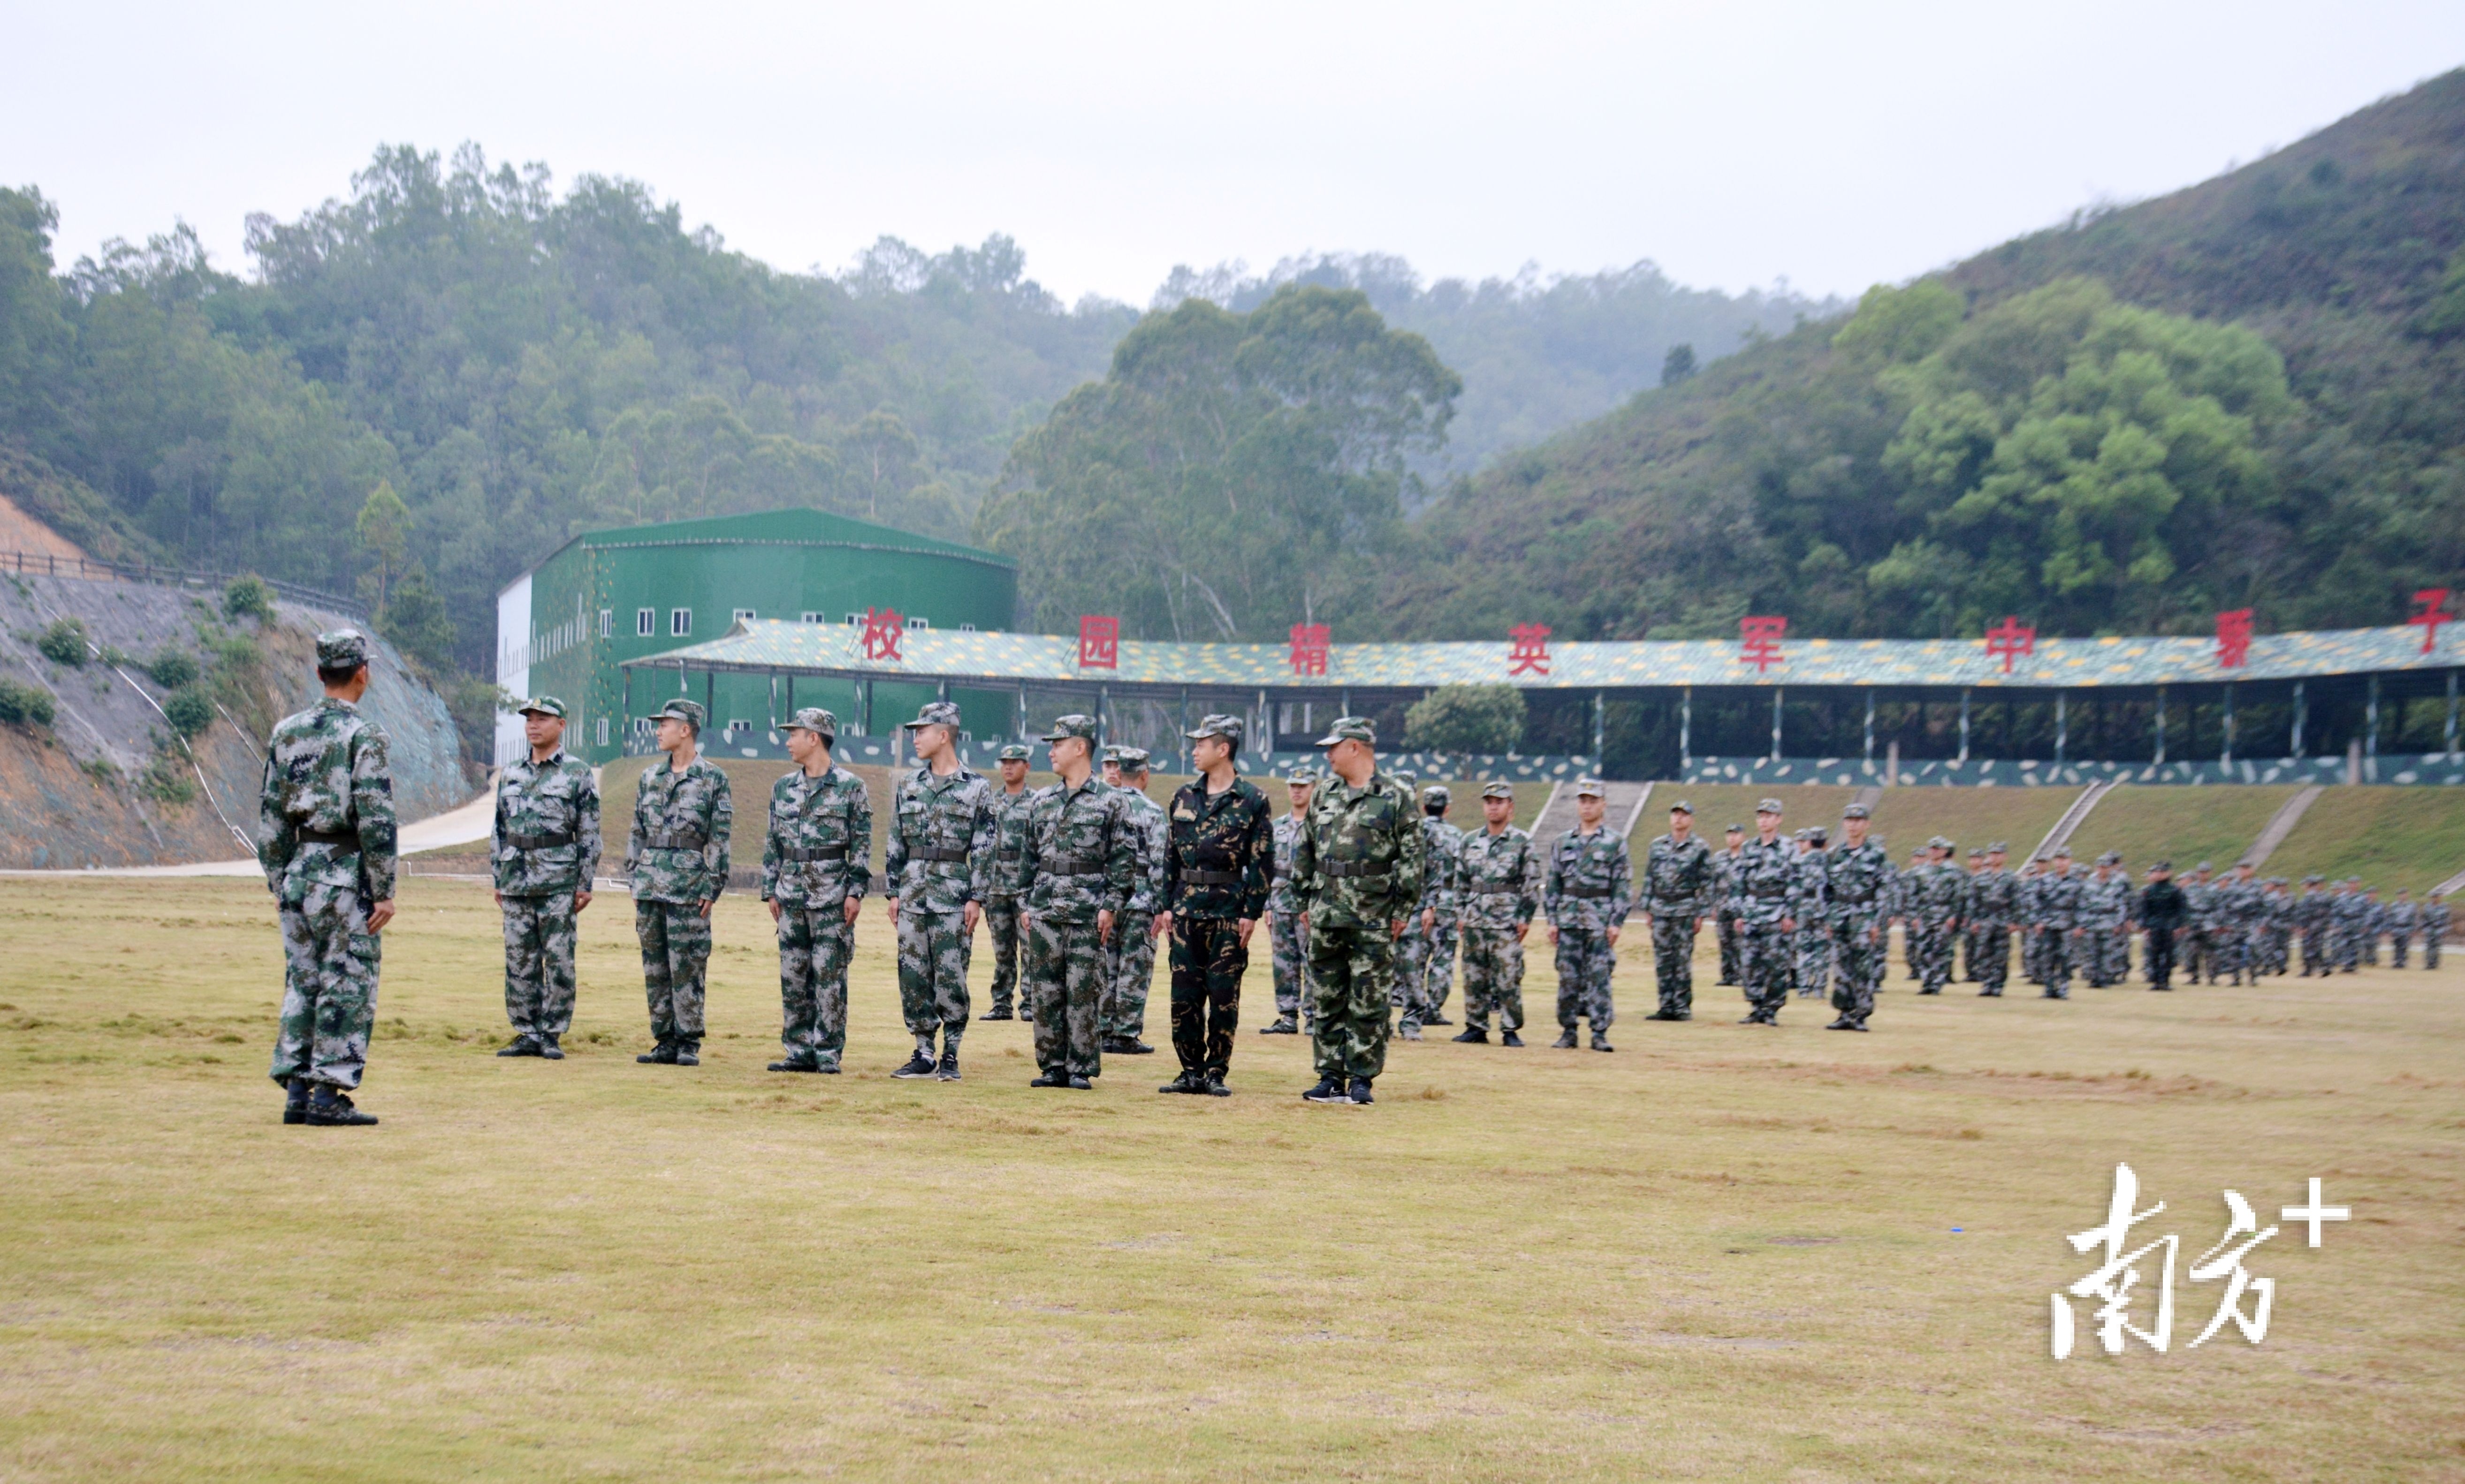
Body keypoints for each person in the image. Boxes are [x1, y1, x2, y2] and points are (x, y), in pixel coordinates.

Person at [261, 628, 397, 1127]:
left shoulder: (287, 732)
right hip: (344, 874)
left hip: (299, 871)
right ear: (363, 672)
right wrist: (383, 890)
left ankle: (297, 1087)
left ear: (320, 673)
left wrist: (280, 880)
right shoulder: (364, 735)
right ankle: (328, 1092)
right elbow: (376, 818)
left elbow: (272, 817)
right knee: (347, 981)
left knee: (304, 980)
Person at [1290, 717, 1423, 1105]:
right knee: (1327, 996)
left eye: (1334, 746)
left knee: (1369, 997)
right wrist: (1302, 900)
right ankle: (1330, 1074)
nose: (1328, 755)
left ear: (1355, 747)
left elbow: (1414, 855)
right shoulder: (1324, 793)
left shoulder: (1396, 795)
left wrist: (1404, 907)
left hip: (1374, 914)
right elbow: (1306, 848)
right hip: (1327, 910)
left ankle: (1362, 1077)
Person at [1155, 714, 1272, 1096]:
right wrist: (1165, 905)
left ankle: (1216, 1072)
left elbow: (1261, 861)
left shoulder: (1252, 800)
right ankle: (1190, 1071)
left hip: (1228, 912)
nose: (1194, 750)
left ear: (1223, 749)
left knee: (1224, 996)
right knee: (1184, 995)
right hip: (1186, 910)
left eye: (1201, 744)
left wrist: (1251, 912)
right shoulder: (1184, 797)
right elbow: (1170, 856)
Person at [1018, 715, 1135, 1090]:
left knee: (1084, 990)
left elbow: (1124, 859)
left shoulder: (1111, 801)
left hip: (1087, 912)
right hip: (1046, 911)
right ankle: (1052, 1064)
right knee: (1046, 991)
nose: (1051, 750)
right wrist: (1026, 903)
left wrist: (1111, 904)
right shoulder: (1042, 801)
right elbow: (1028, 858)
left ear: (1080, 747)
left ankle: (1080, 1067)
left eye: (1059, 743)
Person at [882, 700, 994, 1080]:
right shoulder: (909, 785)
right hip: (913, 895)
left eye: (922, 731)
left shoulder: (977, 788)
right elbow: (896, 839)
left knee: (952, 975)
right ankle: (924, 1051)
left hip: (953, 897)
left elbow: (984, 848)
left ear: (944, 735)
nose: (915, 738)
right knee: (912, 975)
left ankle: (951, 1053)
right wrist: (893, 892)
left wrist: (977, 897)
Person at [759, 707, 871, 1074]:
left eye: (794, 734)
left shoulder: (851, 788)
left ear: (814, 738)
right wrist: (770, 890)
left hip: (832, 897)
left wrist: (856, 891)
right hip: (791, 896)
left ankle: (827, 1052)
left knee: (829, 978)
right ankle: (798, 1051)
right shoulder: (782, 787)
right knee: (793, 977)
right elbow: (773, 841)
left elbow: (862, 845)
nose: (788, 741)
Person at [491, 695, 600, 1060]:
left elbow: (589, 833)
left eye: (542, 718)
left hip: (558, 880)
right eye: (529, 719)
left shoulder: (577, 773)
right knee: (519, 959)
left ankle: (552, 1032)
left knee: (558, 960)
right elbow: (499, 828)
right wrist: (498, 876)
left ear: (561, 725)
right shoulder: (511, 773)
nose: (533, 725)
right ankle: (525, 1031)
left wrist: (585, 882)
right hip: (516, 879)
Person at [627, 698, 731, 1067]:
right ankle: (665, 1039)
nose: (658, 731)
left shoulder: (713, 778)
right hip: (650, 883)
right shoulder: (649, 777)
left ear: (685, 730)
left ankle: (688, 1041)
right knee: (655, 966)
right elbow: (637, 831)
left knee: (687, 965)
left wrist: (712, 886)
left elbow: (719, 837)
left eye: (664, 724)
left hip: (689, 885)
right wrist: (633, 875)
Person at [1543, 778, 1631, 1052]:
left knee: (1599, 978)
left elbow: (1622, 885)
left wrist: (1616, 923)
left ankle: (1600, 1033)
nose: (1588, 806)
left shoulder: (1614, 843)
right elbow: (1554, 884)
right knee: (1568, 978)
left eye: (1593, 801)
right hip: (1569, 919)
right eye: (1583, 801)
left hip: (1599, 921)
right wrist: (1552, 920)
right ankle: (1568, 1031)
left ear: (1603, 805)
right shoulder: (1563, 842)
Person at [1452, 782, 1540, 1045]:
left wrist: (1525, 917)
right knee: (1473, 976)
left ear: (1510, 807)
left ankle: (1510, 1029)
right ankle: (1476, 1026)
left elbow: (1532, 883)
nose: (1493, 806)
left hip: (1506, 921)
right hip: (1475, 919)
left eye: (1499, 802)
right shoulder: (1469, 841)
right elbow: (1460, 881)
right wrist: (1460, 913)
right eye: (1489, 801)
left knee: (1508, 977)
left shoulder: (1522, 842)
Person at [1102, 748, 1166, 1056]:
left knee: (1106, 965)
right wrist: (1161, 906)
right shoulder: (1152, 812)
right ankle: (1126, 1034)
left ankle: (1103, 1028)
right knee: (1135, 967)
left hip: (1108, 896)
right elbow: (1159, 863)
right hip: (1141, 898)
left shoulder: (1104, 807)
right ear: (1144, 775)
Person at [1812, 803, 1892, 1030]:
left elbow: (1883, 890)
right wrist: (1827, 918)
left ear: (1867, 824)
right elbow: (1824, 890)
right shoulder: (1835, 855)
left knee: (1863, 967)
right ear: (1844, 823)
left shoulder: (1876, 855)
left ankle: (1861, 1014)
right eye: (1849, 820)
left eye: (1858, 820)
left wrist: (1878, 922)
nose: (1853, 824)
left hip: (1864, 917)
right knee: (1840, 967)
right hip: (1840, 916)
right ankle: (1844, 1012)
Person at [1638, 799, 1714, 1021]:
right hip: (1661, 907)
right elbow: (1650, 877)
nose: (1678, 818)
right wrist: (1648, 907)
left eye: (1683, 814)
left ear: (1690, 820)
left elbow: (1707, 882)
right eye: (1675, 814)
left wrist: (1701, 913)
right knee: (1663, 959)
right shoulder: (1658, 845)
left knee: (1681, 960)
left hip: (1685, 909)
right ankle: (1665, 1005)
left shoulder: (1700, 848)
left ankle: (1681, 1006)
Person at [980, 744, 1036, 1022]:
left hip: (1026, 887)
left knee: (1030, 949)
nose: (1008, 767)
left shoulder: (1037, 802)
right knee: (1002, 951)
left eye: (1015, 762)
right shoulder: (991, 802)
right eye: (1004, 762)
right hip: (996, 886)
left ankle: (1030, 1004)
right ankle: (1001, 1004)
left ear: (1027, 767)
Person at [1259, 769, 1316, 1035]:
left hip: (1311, 906)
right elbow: (1268, 868)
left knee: (1314, 961)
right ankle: (1288, 1016)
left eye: (1303, 786)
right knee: (1284, 963)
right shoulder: (1278, 826)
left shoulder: (1319, 826)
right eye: (1293, 786)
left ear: (1314, 789)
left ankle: (1315, 1017)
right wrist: (1268, 905)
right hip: (1281, 902)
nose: (1297, 791)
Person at [1732, 798, 1798, 1026]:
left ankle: (1771, 1009)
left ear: (1778, 819)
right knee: (1750, 964)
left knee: (1776, 965)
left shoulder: (1789, 847)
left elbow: (1795, 882)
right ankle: (1756, 1006)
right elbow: (1739, 881)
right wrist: (1739, 912)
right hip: (1752, 912)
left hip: (1776, 911)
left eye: (1769, 816)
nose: (1764, 820)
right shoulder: (1749, 847)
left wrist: (1790, 913)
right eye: (1761, 816)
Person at [1415, 786, 1466, 1029]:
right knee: (1443, 959)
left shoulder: (1417, 831)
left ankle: (1412, 1006)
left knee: (1416, 957)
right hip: (1448, 902)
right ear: (1447, 808)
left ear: (1424, 807)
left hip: (1418, 901)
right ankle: (1433, 1008)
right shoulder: (1457, 836)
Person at [1911, 837, 1964, 995]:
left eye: (1938, 849)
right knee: (1923, 950)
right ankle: (1926, 982)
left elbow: (1959, 896)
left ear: (1944, 851)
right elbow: (1914, 895)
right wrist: (1914, 916)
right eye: (1932, 848)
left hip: (1944, 913)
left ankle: (1936, 984)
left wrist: (1954, 915)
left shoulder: (1953, 871)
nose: (1935, 851)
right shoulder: (1920, 871)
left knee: (1941, 950)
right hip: (1926, 914)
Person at [2034, 848, 2083, 999]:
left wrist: (2080, 925)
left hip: (2067, 925)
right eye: (2058, 859)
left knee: (2066, 959)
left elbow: (2082, 905)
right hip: (2048, 924)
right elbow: (2037, 902)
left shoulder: (2076, 883)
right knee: (2047, 958)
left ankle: (2063, 989)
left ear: (2070, 861)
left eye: (2064, 859)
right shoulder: (2045, 880)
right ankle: (2049, 988)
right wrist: (2038, 920)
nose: (2061, 862)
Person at [1968, 842, 2016, 996]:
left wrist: (2014, 921)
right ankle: (1986, 984)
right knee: (1983, 954)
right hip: (1985, 921)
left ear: (2005, 857)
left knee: (2001, 956)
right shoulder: (1981, 878)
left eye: (1998, 854)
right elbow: (1974, 902)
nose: (1995, 857)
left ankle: (1998, 986)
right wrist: (1974, 920)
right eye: (1993, 854)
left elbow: (2017, 901)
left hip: (2003, 920)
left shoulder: (2011, 878)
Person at [2079, 853, 2130, 988]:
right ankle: (2094, 978)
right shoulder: (2089, 882)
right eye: (2100, 867)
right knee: (2092, 951)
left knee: (2108, 951)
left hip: (2109, 920)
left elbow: (2121, 905)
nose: (2102, 870)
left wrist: (2119, 923)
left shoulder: (2117, 883)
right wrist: (2083, 923)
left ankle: (2105, 978)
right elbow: (2083, 904)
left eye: (2105, 867)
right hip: (2092, 920)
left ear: (2109, 868)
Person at [1793, 826, 1833, 1001]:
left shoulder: (1800, 861)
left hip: (1803, 908)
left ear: (1809, 842)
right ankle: (1819, 989)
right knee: (1821, 950)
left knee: (1803, 949)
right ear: (1826, 843)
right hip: (1824, 909)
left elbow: (1794, 887)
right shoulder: (1831, 861)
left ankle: (1803, 988)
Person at [2139, 862, 2187, 990]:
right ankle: (2156, 981)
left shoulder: (2175, 890)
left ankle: (2165, 981)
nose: (2159, 875)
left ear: (2168, 873)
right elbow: (2145, 910)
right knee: (2154, 954)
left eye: (2162, 872)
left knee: (2168, 955)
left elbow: (2181, 910)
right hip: (2154, 926)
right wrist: (2145, 927)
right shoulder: (2149, 891)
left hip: (2169, 926)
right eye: (2157, 872)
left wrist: (2179, 926)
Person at [1714, 824, 1746, 985]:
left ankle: (1741, 975)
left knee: (1740, 941)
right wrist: (1713, 904)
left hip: (1741, 906)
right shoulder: (1720, 858)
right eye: (1729, 835)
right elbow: (1713, 882)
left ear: (1743, 837)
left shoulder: (1747, 857)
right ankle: (1728, 975)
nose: (1732, 838)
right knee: (1724, 940)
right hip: (1722, 904)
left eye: (1736, 834)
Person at [2295, 875, 2332, 977]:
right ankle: (2324, 967)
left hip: (2311, 926)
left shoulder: (2309, 897)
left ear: (2308, 885)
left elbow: (2305, 913)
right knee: (2318, 947)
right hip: (2321, 925)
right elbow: (2329, 912)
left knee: (2309, 947)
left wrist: (2303, 927)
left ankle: (2309, 970)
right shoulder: (2323, 897)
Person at [2388, 887, 2419, 968]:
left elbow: (2414, 918)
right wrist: (2390, 929)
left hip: (2406, 927)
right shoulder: (2394, 906)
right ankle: (2397, 962)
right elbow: (2390, 918)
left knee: (2404, 946)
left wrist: (2413, 929)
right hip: (2396, 928)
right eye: (2401, 894)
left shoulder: (2412, 906)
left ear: (2407, 895)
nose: (2403, 896)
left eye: (2404, 894)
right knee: (2397, 945)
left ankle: (2402, 962)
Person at [2424, 890, 2450, 969]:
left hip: (2439, 929)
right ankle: (2429, 964)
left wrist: (2446, 930)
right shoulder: (2427, 907)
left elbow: (2447, 920)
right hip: (2430, 929)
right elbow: (2424, 919)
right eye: (2434, 897)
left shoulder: (2444, 907)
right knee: (2429, 947)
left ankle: (2435, 964)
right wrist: (2424, 929)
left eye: (2437, 897)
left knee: (2436, 948)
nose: (2435, 899)